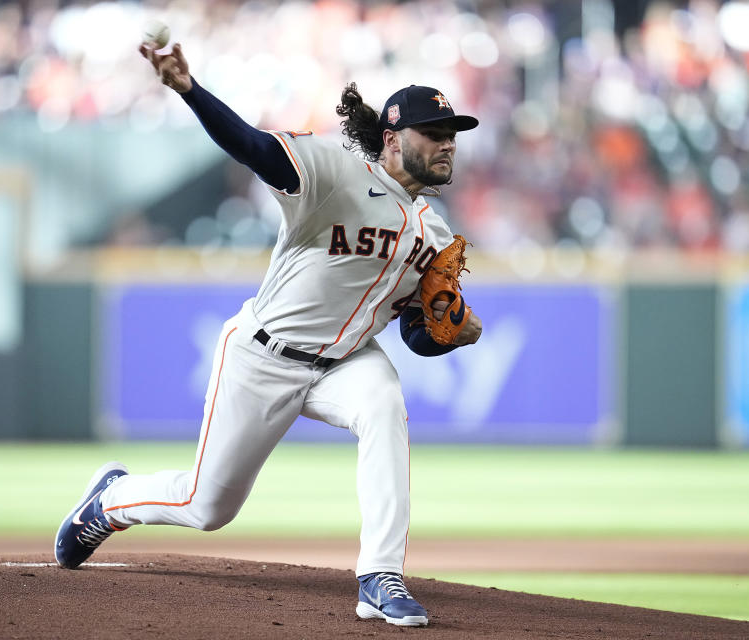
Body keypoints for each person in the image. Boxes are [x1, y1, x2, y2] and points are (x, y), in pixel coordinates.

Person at [54, 41, 482, 628]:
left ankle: (380, 576)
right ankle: (112, 499)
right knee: (207, 507)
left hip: (347, 362)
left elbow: (417, 336)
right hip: (264, 355)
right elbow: (254, 148)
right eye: (433, 131)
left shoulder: (434, 233)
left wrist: (451, 330)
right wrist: (188, 89)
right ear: (392, 138)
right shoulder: (336, 173)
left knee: (385, 404)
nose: (447, 142)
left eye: (452, 132)